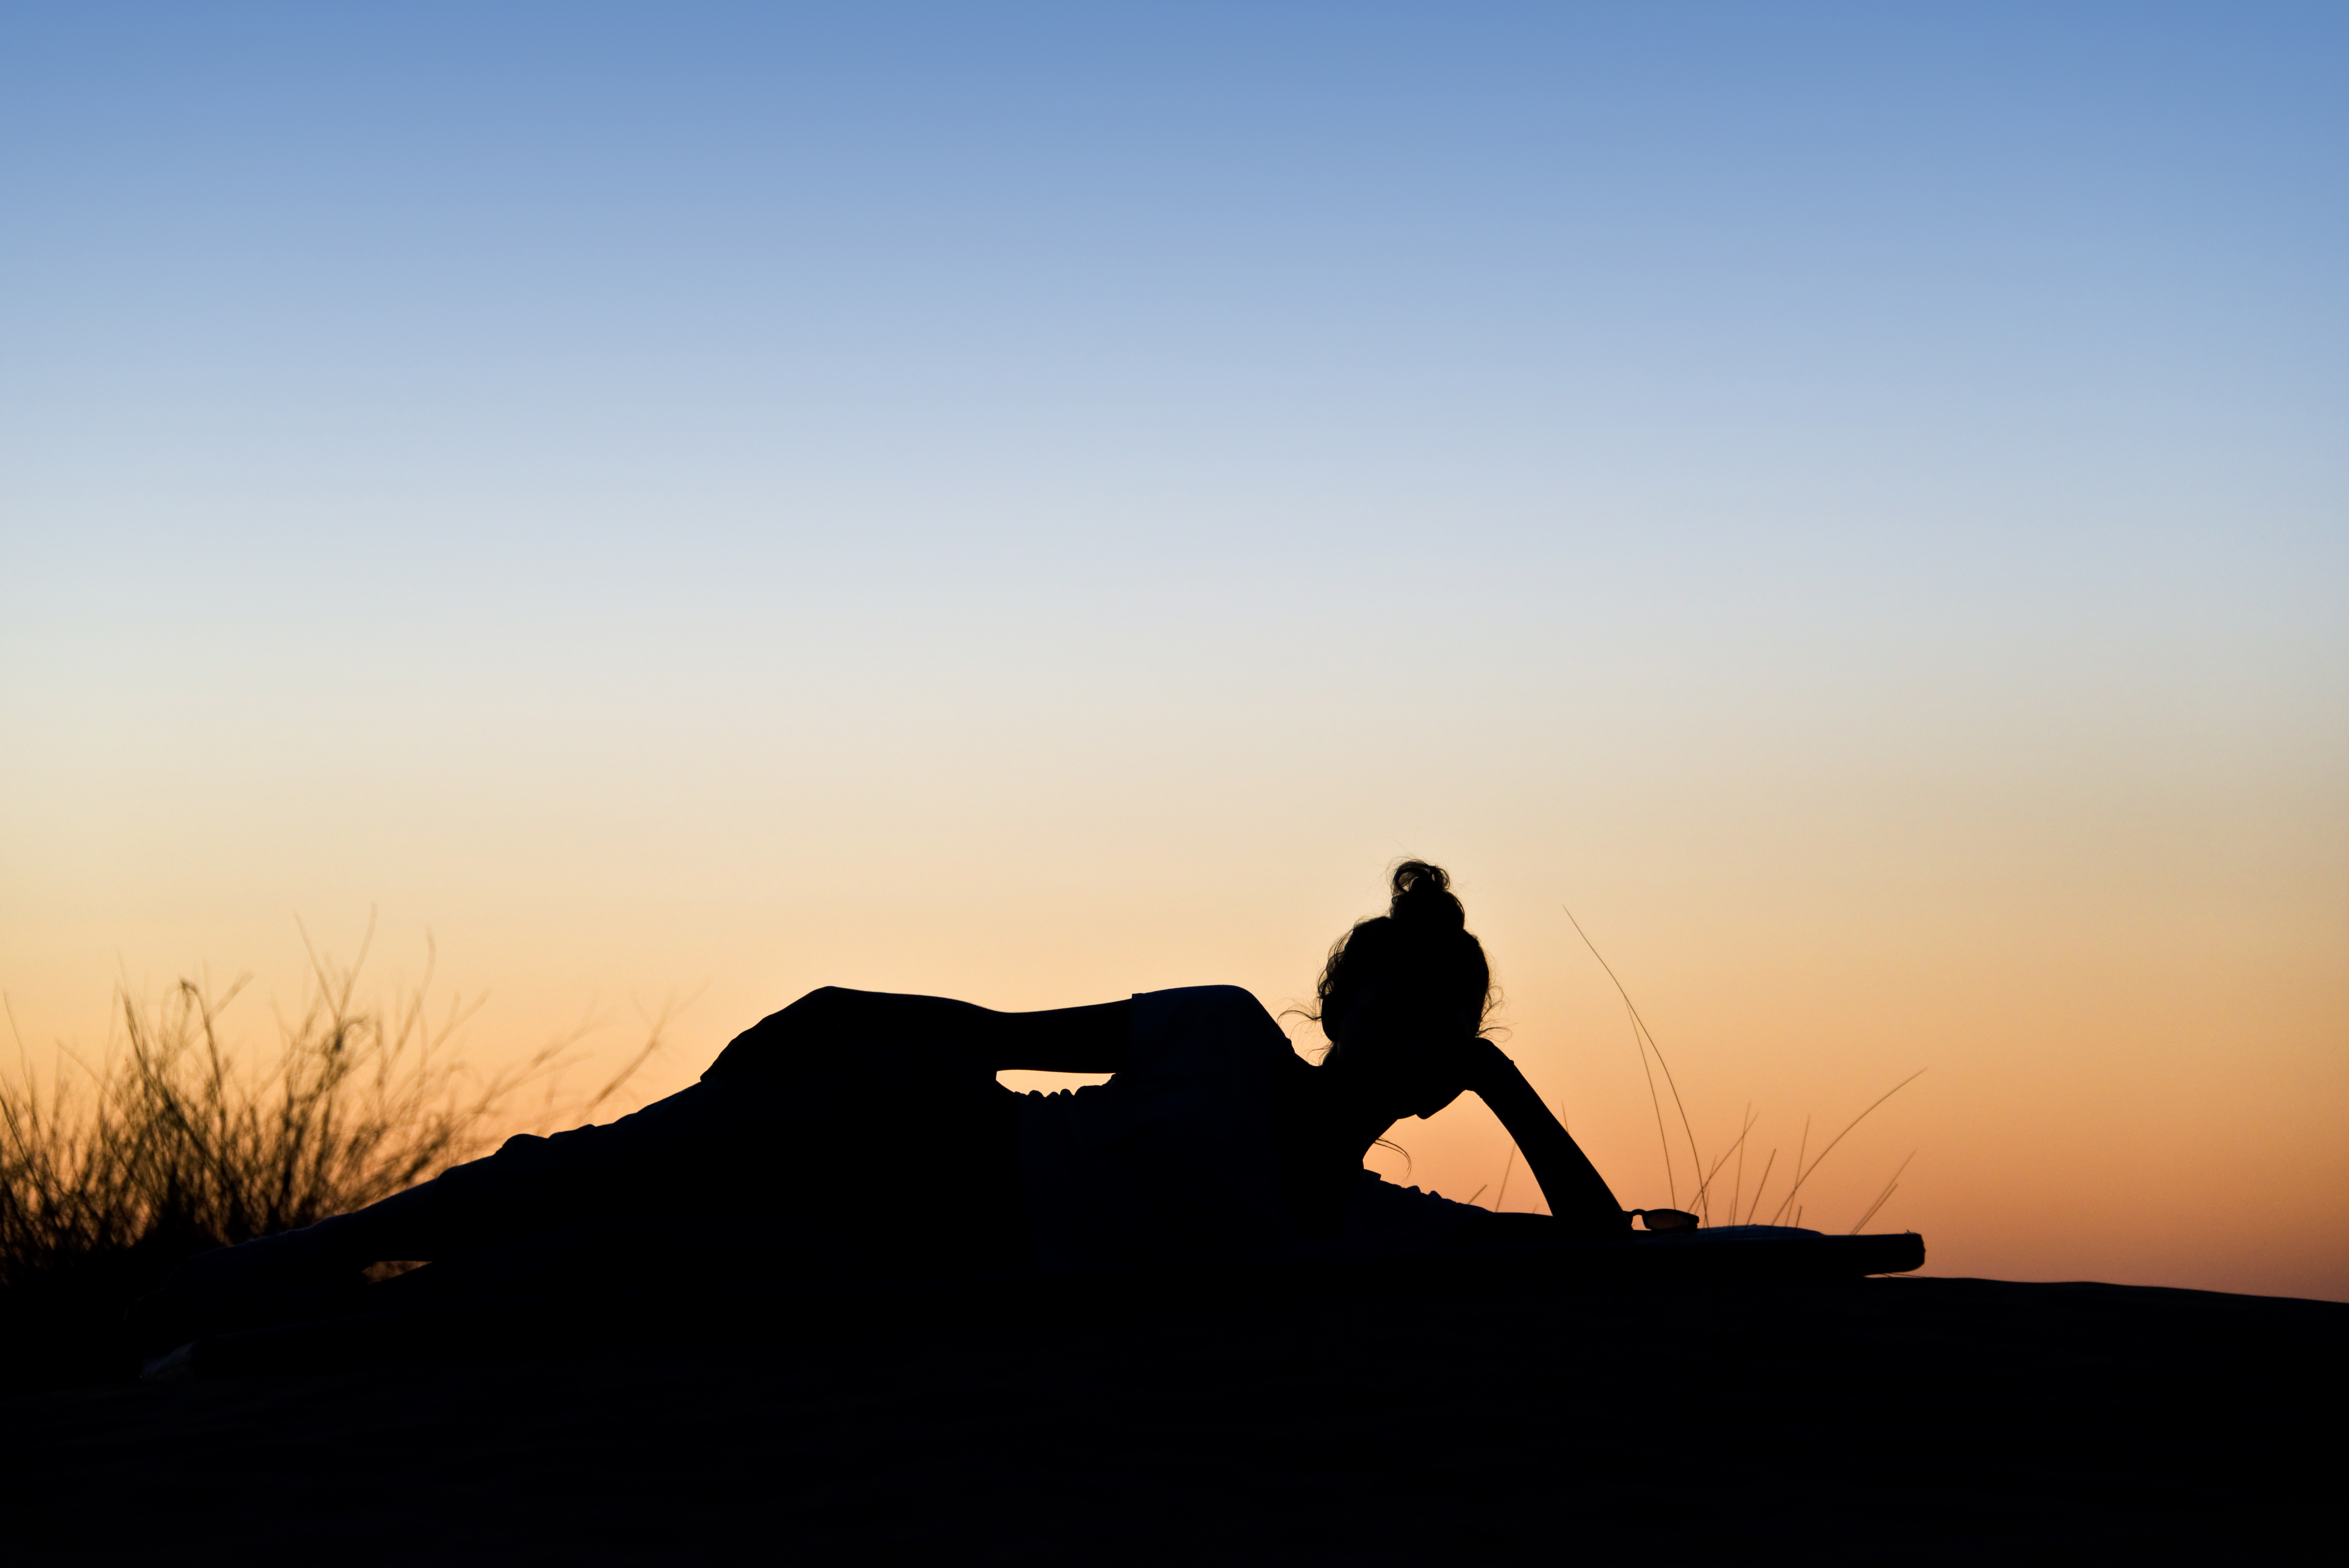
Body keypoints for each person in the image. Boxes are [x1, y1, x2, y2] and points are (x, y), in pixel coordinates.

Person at [142, 862, 1635, 1338]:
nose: (1412, 1031)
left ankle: (282, 1337)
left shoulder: (1378, 1233)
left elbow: (1607, 1252)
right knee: (558, 1176)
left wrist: (1502, 1079)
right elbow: (1001, 1031)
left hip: (935, 1255)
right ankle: (236, 1279)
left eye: (1449, 1022)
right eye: (1392, 998)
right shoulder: (1227, 1036)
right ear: (1336, 1004)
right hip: (910, 1120)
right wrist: (837, 1013)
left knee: (602, 1266)